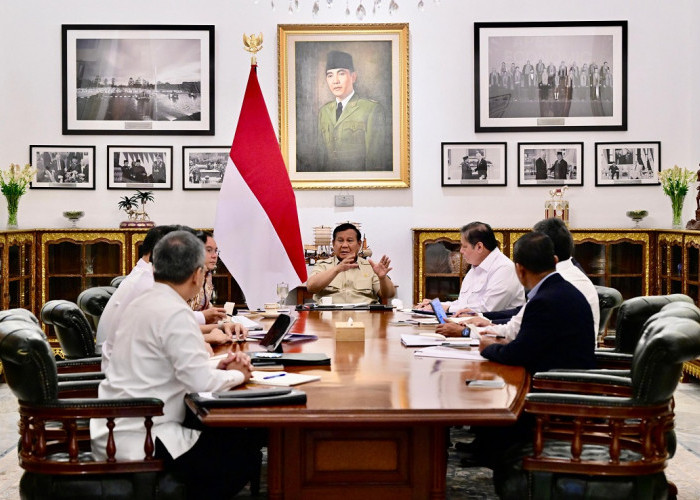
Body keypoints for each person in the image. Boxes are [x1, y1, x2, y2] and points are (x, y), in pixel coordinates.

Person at [90, 231, 262, 499]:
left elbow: (170, 367)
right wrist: (238, 375)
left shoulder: (142, 302)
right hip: (144, 436)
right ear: (196, 274)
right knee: (243, 455)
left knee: (230, 436)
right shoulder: (174, 311)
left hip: (116, 428)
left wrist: (219, 368)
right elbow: (199, 383)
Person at [98, 225, 233, 372]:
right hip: (125, 370)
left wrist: (213, 332)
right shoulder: (150, 284)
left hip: (129, 367)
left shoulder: (152, 279)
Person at [444, 218, 600, 341]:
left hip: (558, 367)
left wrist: (469, 332)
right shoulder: (562, 275)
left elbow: (522, 332)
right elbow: (521, 317)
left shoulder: (561, 285)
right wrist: (483, 319)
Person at [478, 231, 596, 374]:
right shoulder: (565, 290)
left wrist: (488, 347)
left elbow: (517, 354)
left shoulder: (543, 302)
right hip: (570, 376)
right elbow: (529, 343)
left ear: (520, 270)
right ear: (555, 261)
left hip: (557, 383)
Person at [417, 222, 524, 315]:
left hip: (494, 328)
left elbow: (487, 309)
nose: (461, 251)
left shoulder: (504, 269)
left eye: (464, 246)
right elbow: (463, 303)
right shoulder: (476, 267)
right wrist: (435, 305)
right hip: (472, 325)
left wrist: (446, 308)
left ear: (479, 247)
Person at [317, 50, 391, 172]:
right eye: (330, 75)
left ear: (353, 77)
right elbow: (320, 158)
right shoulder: (324, 112)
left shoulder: (371, 109)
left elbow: (375, 161)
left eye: (341, 74)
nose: (335, 81)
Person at [307, 222, 395, 304]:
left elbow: (389, 294)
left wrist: (383, 278)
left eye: (350, 240)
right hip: (329, 313)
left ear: (359, 244)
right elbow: (311, 287)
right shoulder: (323, 265)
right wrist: (337, 269)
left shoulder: (371, 267)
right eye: (340, 240)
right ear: (333, 243)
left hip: (365, 313)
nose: (344, 245)